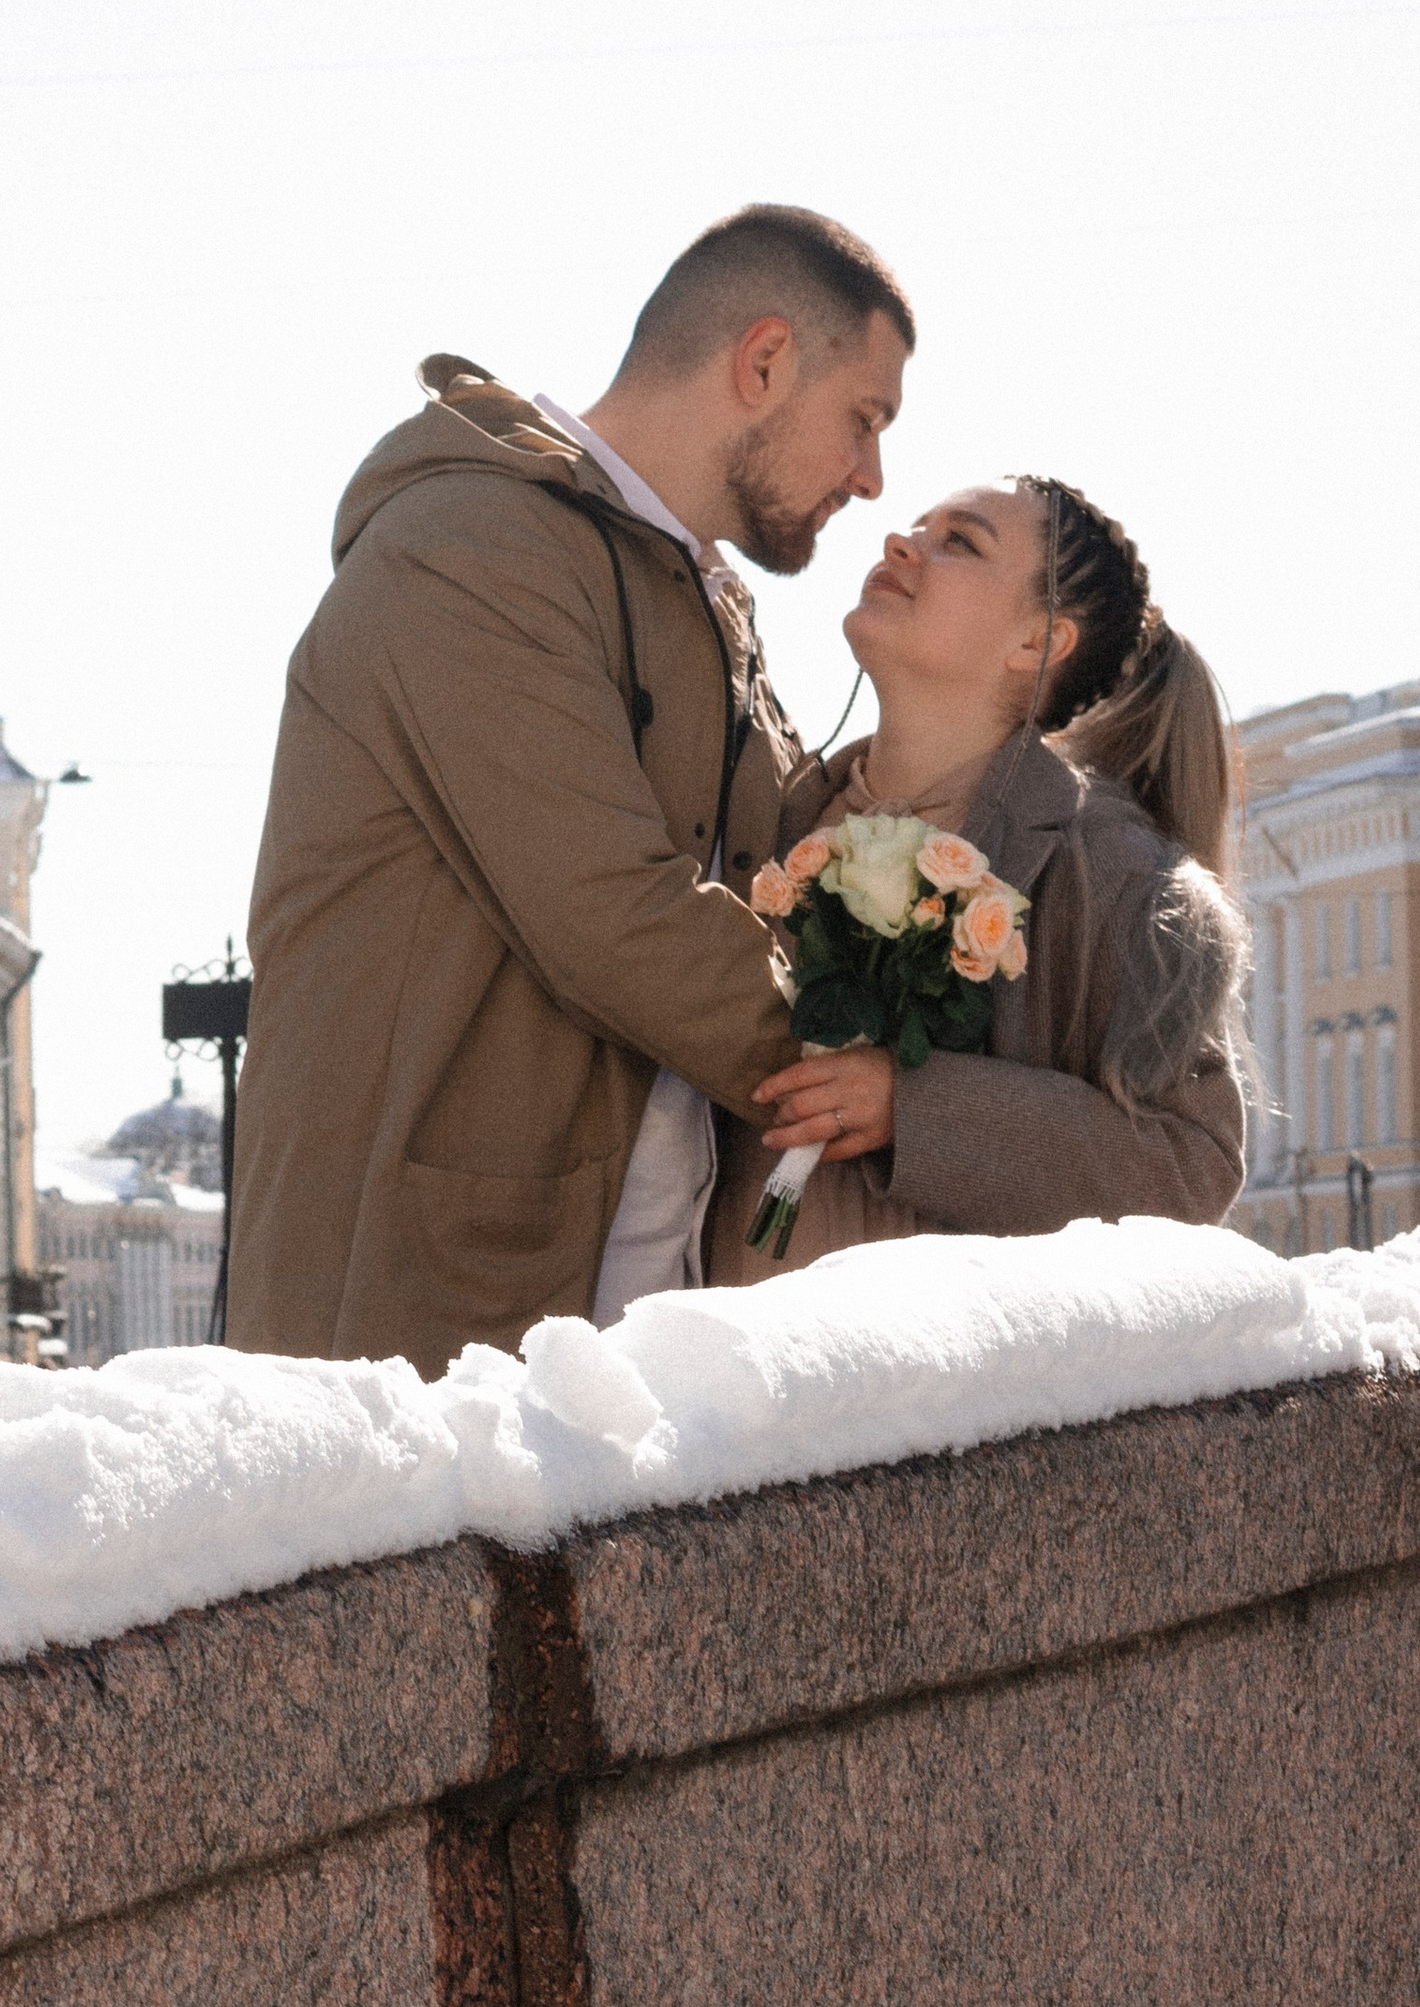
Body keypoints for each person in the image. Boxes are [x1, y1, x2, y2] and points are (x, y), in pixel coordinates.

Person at [225, 205, 914, 1380]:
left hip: (618, 1293)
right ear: (761, 363)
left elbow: (786, 869)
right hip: (429, 1304)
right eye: (863, 419)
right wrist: (886, 1082)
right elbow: (612, 912)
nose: (871, 476)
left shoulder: (694, 595)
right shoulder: (470, 545)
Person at [708, 480, 1248, 1276]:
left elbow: (1191, 1168)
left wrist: (918, 1109)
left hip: (941, 1388)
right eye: (919, 526)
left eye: (959, 541)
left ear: (1037, 641)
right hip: (722, 1369)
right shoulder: (772, 820)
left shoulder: (1115, 874)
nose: (900, 543)